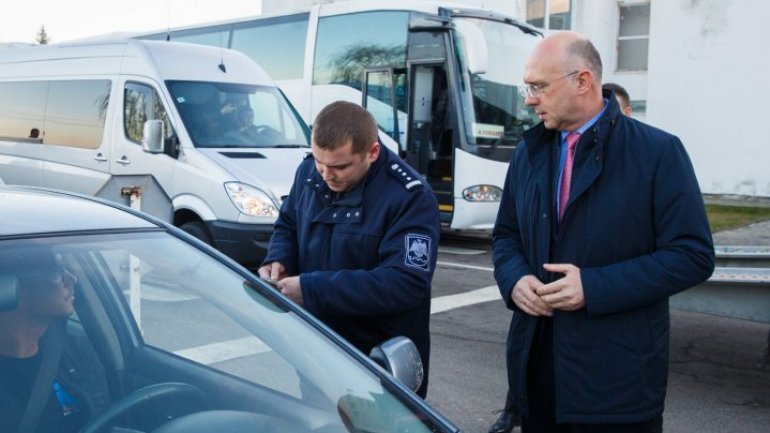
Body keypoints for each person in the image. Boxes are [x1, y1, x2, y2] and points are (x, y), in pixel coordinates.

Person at [492, 31, 714, 432]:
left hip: (617, 387)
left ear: (582, 81)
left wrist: (593, 287)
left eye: (538, 86)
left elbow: (692, 255)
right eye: (528, 87)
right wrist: (514, 279)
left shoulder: (657, 152)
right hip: (536, 376)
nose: (528, 99)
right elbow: (506, 235)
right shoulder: (528, 151)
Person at [258, 100, 440, 398]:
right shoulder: (309, 172)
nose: (327, 175)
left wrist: (311, 289)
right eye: (320, 162)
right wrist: (279, 258)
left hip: (378, 362)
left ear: (372, 152)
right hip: (317, 349)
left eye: (340, 166)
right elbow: (288, 223)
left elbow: (406, 283)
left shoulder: (410, 197)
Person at [0, 248, 110, 433]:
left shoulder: (76, 348)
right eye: (56, 274)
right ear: (10, 289)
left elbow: (103, 415)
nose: (72, 279)